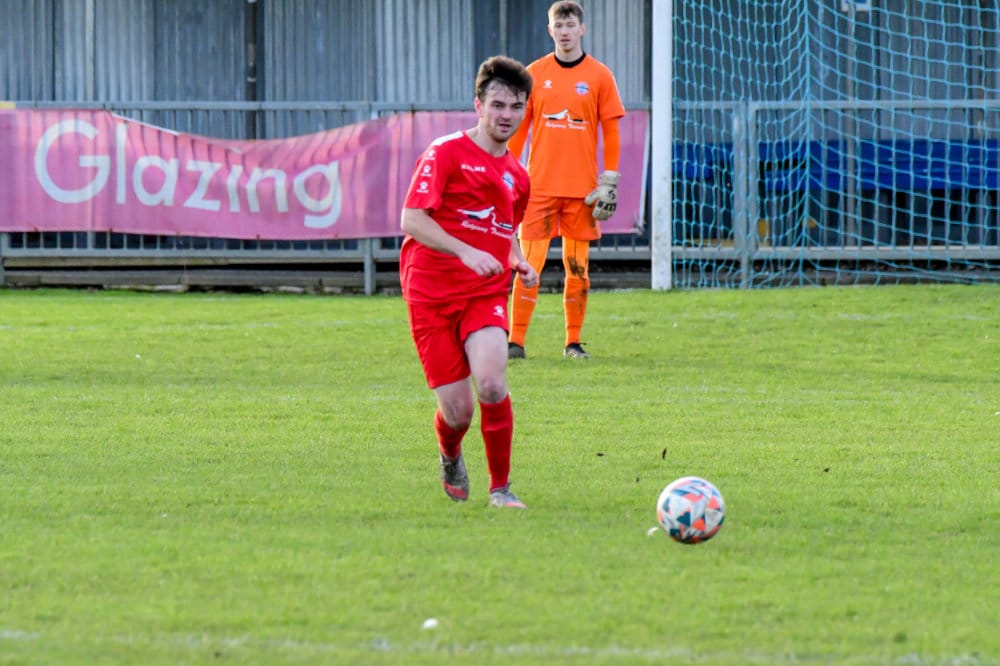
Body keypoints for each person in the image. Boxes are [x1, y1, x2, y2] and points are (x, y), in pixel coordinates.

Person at [399, 55, 538, 509]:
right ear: (478, 105)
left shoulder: (518, 177)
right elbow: (412, 219)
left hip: (484, 291)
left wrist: (517, 259)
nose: (506, 115)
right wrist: (465, 250)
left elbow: (505, 227)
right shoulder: (445, 153)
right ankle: (450, 452)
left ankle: (501, 489)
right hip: (430, 292)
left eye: (515, 106)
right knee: (458, 411)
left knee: (493, 384)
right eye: (497, 105)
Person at [506, 0, 626, 360]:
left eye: (570, 25)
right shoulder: (533, 74)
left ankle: (573, 342)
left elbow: (611, 130)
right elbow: (519, 130)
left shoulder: (600, 75)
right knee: (528, 266)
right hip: (539, 189)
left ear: (582, 29)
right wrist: (506, 172)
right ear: (550, 30)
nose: (565, 31)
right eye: (558, 26)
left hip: (582, 192)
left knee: (578, 270)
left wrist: (610, 179)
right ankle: (515, 343)